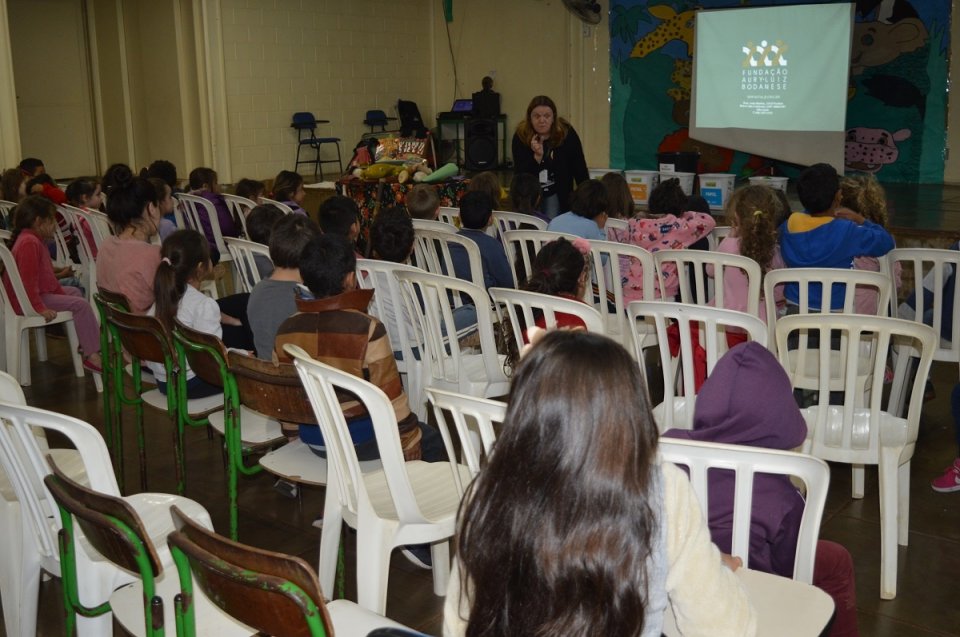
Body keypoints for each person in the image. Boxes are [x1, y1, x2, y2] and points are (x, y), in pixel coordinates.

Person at [445, 330, 755, 636]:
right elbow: (725, 627)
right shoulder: (663, 492)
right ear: (632, 415)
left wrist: (542, 376)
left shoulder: (487, 491)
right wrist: (708, 570)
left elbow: (459, 624)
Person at [663, 342, 860, 637]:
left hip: (671, 575)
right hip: (748, 582)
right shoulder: (783, 493)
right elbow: (791, 565)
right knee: (836, 560)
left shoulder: (668, 448)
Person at [274, 234, 445, 463]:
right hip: (360, 439)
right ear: (350, 278)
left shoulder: (286, 328)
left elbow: (286, 392)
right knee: (432, 438)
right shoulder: (368, 328)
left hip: (313, 438)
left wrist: (293, 435)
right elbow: (390, 395)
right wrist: (409, 439)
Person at [2, 195, 101, 373]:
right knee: (82, 305)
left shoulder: (31, 239)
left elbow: (39, 275)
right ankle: (92, 354)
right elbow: (28, 282)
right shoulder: (29, 242)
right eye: (51, 221)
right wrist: (39, 308)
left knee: (75, 292)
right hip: (28, 301)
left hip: (35, 295)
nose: (55, 226)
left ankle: (85, 343)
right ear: (39, 221)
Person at [778, 163, 894, 310]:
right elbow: (886, 242)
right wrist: (861, 220)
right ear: (838, 196)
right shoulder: (847, 231)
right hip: (835, 314)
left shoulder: (789, 224)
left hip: (795, 309)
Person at [149, 229, 223, 398]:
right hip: (191, 384)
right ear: (200, 267)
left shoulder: (161, 300)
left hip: (164, 383)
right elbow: (213, 360)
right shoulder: (204, 305)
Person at [618, 177, 716, 301]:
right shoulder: (677, 227)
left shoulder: (633, 224)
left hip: (628, 299)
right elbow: (708, 221)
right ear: (681, 208)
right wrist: (684, 214)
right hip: (662, 299)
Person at [247, 214, 321, 360]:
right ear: (313, 256)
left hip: (266, 375)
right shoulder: (306, 302)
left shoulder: (257, 290)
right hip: (296, 379)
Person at [714, 185, 786, 322]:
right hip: (762, 323)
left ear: (736, 217)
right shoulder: (774, 250)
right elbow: (779, 293)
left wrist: (730, 237)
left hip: (727, 318)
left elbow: (710, 271)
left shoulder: (729, 245)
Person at [511, 95, 588, 218]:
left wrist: (588, 199)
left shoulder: (566, 133)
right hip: (528, 193)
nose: (542, 120)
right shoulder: (521, 135)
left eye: (547, 116)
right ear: (529, 119)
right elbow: (520, 175)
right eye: (536, 116)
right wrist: (536, 158)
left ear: (553, 118)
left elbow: (579, 167)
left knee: (552, 221)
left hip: (557, 191)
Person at [97, 175, 162, 314]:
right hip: (148, 332)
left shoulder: (106, 245)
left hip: (118, 330)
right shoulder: (152, 254)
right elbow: (174, 298)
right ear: (151, 208)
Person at [839, 173, 900, 314]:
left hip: (836, 317)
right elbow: (895, 283)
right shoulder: (883, 238)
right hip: (873, 319)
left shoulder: (833, 234)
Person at [449, 191, 513, 289]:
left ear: (459, 217)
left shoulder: (448, 242)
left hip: (452, 299)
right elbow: (508, 284)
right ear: (490, 220)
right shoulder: (492, 245)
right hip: (486, 301)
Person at [188, 166, 240, 258]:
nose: (218, 186)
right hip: (218, 246)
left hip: (196, 245)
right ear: (205, 186)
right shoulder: (213, 201)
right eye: (216, 183)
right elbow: (228, 229)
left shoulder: (187, 200)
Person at [65, 177, 103, 258]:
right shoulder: (89, 217)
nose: (101, 198)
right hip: (98, 256)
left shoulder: (77, 213)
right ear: (85, 198)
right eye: (98, 194)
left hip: (86, 256)